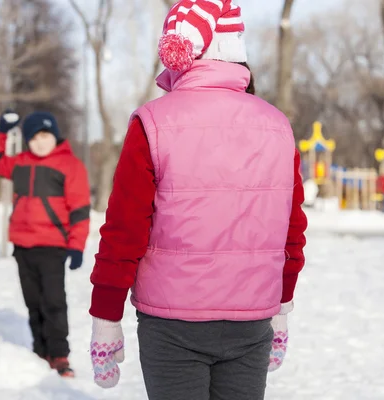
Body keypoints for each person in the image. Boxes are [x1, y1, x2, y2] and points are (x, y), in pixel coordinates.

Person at [88, 1, 308, 399]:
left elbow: (125, 227)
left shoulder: (152, 123)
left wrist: (106, 314)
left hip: (172, 323)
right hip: (252, 316)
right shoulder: (277, 126)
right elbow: (289, 229)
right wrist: (283, 305)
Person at [0, 110, 91, 378]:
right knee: (33, 302)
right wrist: (1, 131)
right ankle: (40, 351)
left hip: (53, 246)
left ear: (55, 137)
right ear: (28, 140)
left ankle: (60, 355)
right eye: (34, 137)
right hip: (22, 245)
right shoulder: (20, 163)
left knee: (54, 302)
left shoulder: (70, 166)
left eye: (46, 136)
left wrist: (77, 246)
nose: (40, 142)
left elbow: (79, 210)